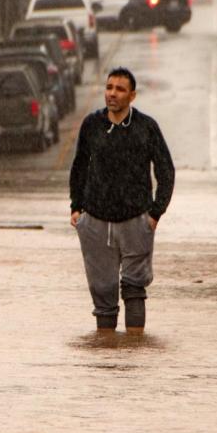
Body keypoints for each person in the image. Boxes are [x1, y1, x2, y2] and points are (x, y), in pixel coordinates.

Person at [69, 67, 175, 333]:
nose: (112, 94)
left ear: (132, 96)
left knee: (134, 288)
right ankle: (107, 360)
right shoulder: (92, 125)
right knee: (103, 294)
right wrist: (76, 208)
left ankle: (134, 357)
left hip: (136, 220)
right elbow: (79, 167)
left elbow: (166, 171)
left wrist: (154, 214)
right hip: (95, 220)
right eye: (109, 88)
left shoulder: (146, 128)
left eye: (119, 89)